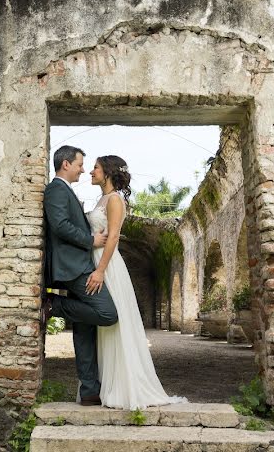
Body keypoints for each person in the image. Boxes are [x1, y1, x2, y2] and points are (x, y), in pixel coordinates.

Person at [86, 154, 187, 410]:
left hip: (107, 265)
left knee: (115, 323)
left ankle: (125, 387)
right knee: (102, 325)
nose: (91, 171)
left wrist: (100, 270)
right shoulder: (101, 198)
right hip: (96, 260)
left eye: (95, 167)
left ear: (107, 172)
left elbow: (114, 237)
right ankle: (106, 384)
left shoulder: (115, 199)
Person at [43, 145, 118, 406]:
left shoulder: (66, 190)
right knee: (108, 313)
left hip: (77, 263)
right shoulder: (56, 189)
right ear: (66, 164)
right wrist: (90, 240)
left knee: (85, 330)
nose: (83, 169)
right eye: (79, 164)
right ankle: (54, 304)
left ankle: (89, 391)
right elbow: (60, 226)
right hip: (74, 267)